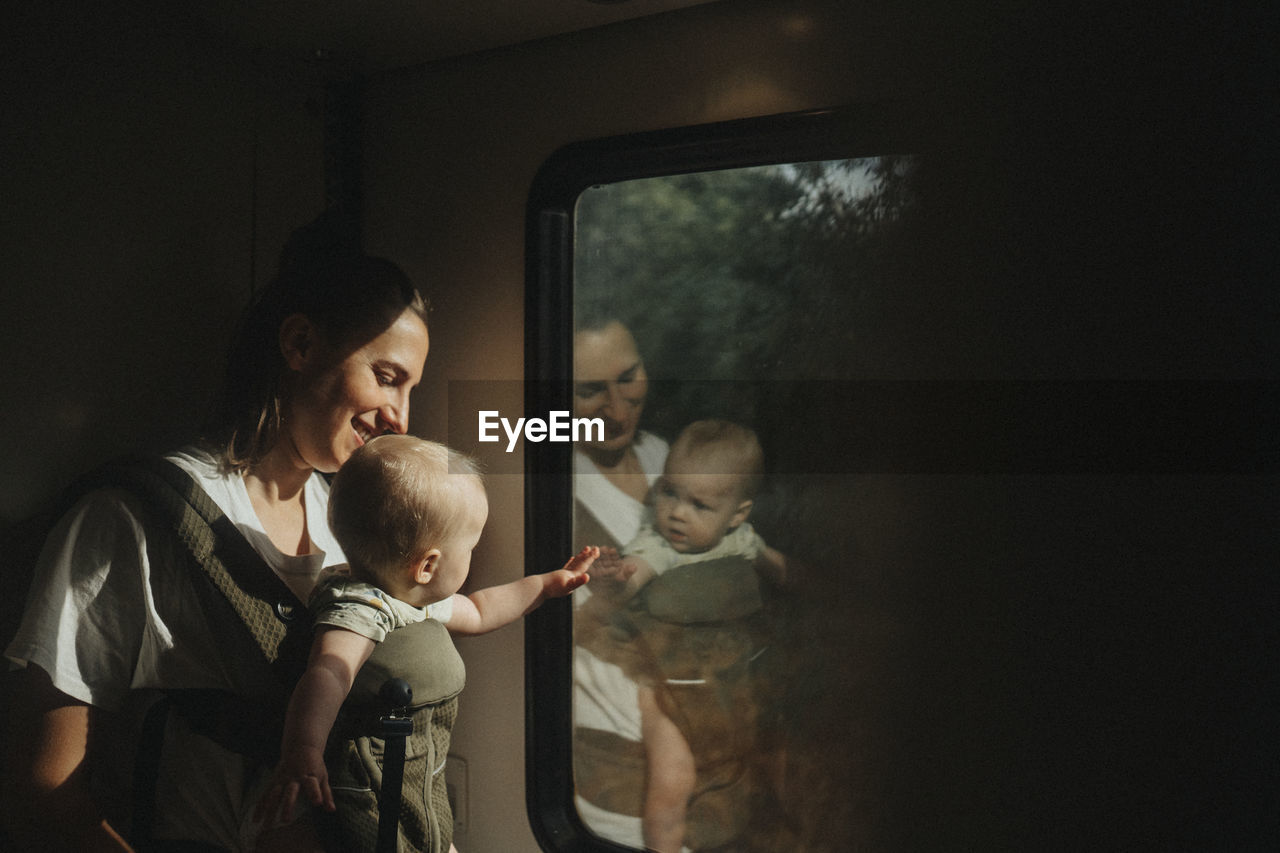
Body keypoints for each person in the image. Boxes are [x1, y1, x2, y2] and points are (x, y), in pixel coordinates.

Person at [1, 211, 433, 851]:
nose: (400, 417)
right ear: (299, 345)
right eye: (387, 377)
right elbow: (45, 781)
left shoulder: (353, 531)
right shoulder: (133, 521)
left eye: (411, 389)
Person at [252, 435, 599, 851]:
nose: (473, 555)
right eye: (470, 547)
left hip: (421, 780)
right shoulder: (362, 609)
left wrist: (545, 585)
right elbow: (328, 673)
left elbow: (481, 610)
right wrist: (304, 749)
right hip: (372, 791)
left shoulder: (412, 600)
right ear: (428, 565)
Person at [589, 419, 786, 853]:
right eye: (670, 493)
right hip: (670, 688)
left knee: (760, 762)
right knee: (673, 782)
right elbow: (634, 575)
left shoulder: (743, 540)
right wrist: (612, 581)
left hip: (729, 679)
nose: (677, 513)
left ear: (737, 515)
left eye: (700, 505)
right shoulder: (657, 545)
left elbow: (781, 569)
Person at [568, 312, 677, 849]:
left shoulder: (668, 457)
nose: (616, 408)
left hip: (698, 723)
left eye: (628, 378)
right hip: (615, 753)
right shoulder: (551, 487)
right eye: (591, 391)